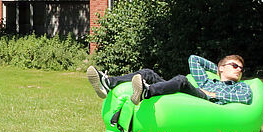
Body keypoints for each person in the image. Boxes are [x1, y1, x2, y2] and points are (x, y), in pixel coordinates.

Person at [87, 54, 252, 106]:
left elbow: (245, 98)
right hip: (200, 91)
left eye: (241, 69)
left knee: (181, 80)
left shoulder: (240, 86)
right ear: (222, 68)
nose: (239, 70)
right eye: (235, 66)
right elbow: (193, 59)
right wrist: (218, 68)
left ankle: (147, 92)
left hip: (205, 99)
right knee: (147, 72)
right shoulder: (207, 81)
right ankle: (108, 83)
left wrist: (214, 95)